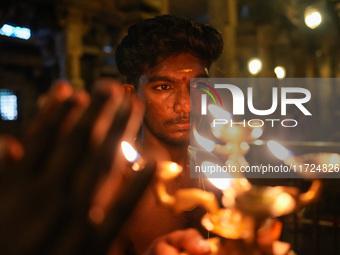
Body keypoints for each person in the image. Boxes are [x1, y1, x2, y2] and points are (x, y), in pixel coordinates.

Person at [108, 14, 224, 254]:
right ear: (131, 97)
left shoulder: (217, 172)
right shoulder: (114, 188)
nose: (186, 106)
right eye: (164, 87)